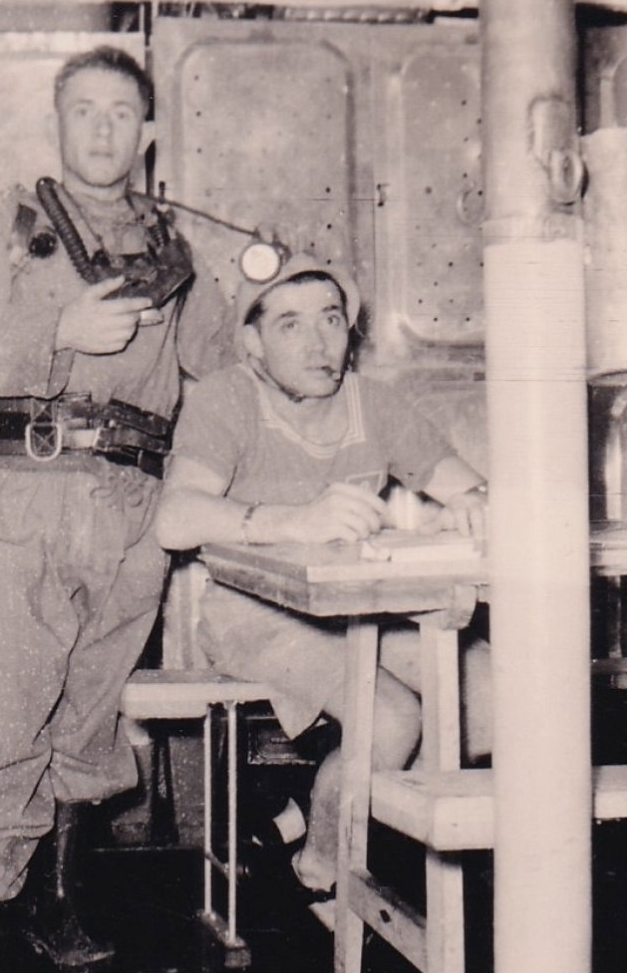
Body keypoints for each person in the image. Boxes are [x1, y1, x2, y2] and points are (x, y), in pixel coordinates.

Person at [0, 46, 234, 973]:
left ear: (146, 133)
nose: (101, 129)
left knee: (86, 714)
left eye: (119, 113)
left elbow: (219, 365)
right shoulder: (13, 223)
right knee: (4, 707)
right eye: (83, 110)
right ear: (59, 124)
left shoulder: (173, 245)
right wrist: (56, 335)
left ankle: (55, 905)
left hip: (135, 500)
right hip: (33, 484)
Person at [154, 253, 491, 895]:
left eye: (331, 319)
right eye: (289, 325)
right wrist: (294, 520)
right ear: (251, 342)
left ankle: (318, 806)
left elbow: (463, 484)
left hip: (361, 609)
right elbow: (175, 520)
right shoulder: (227, 399)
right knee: (391, 720)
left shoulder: (374, 402)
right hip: (258, 616)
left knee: (498, 702)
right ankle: (323, 865)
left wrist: (474, 502)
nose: (317, 343)